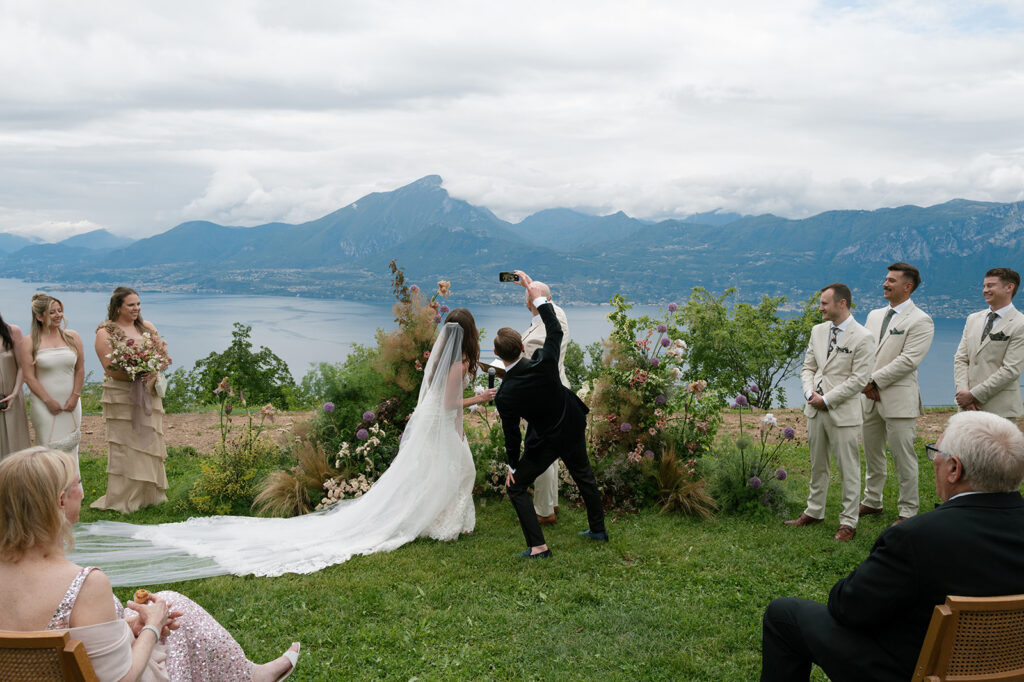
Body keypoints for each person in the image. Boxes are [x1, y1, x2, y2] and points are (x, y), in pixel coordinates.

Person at [73, 310, 492, 583]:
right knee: (452, 471)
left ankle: (446, 520)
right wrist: (481, 400)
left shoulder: (445, 360)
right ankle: (443, 522)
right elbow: (449, 403)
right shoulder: (457, 364)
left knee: (441, 473)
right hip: (443, 426)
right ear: (470, 334)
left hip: (437, 428)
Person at [761, 410, 1024, 682]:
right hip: (1008, 668)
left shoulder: (917, 537)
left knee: (783, 615)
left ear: (955, 470)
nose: (934, 460)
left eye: (936, 452)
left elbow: (848, 608)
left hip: (910, 670)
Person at [0, 447, 300, 682]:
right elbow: (123, 678)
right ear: (61, 501)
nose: (82, 488)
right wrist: (153, 627)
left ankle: (248, 673)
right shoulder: (85, 585)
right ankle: (249, 676)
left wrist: (129, 627)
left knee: (166, 603)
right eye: (78, 483)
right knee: (169, 609)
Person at [493, 270, 606, 558]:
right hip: (570, 419)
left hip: (546, 434)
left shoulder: (506, 394)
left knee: (517, 488)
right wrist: (535, 293)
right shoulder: (546, 359)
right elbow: (554, 327)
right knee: (584, 475)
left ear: (498, 355)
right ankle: (598, 530)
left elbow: (511, 435)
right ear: (522, 347)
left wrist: (512, 467)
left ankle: (539, 546)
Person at [785, 283, 873, 542]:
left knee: (848, 468)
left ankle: (848, 522)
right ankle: (814, 511)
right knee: (817, 464)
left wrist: (828, 399)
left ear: (842, 303)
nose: (820, 308)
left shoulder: (863, 337)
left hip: (842, 413)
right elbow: (808, 368)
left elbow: (859, 379)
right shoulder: (818, 331)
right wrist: (809, 394)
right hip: (814, 409)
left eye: (824, 303)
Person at [859, 263, 934, 524]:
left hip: (898, 399)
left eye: (891, 280)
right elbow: (864, 351)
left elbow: (908, 360)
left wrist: (873, 382)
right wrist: (865, 384)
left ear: (907, 286)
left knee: (903, 457)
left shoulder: (921, 320)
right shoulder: (874, 315)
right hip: (869, 398)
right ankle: (872, 501)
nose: (885, 283)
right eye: (886, 279)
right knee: (872, 454)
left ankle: (908, 511)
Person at [91, 287, 170, 513]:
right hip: (121, 395)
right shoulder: (105, 332)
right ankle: (124, 497)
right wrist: (136, 373)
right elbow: (109, 368)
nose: (137, 308)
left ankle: (149, 495)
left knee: (149, 443)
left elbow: (163, 357)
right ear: (118, 307)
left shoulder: (148, 327)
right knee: (126, 445)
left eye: (138, 304)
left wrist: (153, 369)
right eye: (131, 305)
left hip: (149, 393)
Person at [519, 280, 570, 525]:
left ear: (529, 303)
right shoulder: (560, 318)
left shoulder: (537, 337)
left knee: (540, 452)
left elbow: (527, 369)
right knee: (552, 450)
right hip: (560, 393)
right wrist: (531, 286)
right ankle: (552, 502)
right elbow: (549, 306)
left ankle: (544, 511)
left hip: (542, 398)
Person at [18, 294, 85, 468]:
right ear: (39, 317)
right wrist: (48, 401)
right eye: (52, 312)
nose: (58, 315)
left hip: (72, 403)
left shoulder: (72, 337)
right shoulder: (29, 341)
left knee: (71, 446)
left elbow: (80, 369)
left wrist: (75, 397)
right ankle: (48, 483)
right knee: (47, 448)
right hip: (43, 404)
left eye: (60, 311)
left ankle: (72, 484)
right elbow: (29, 377)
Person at [954, 267, 1024, 417]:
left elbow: (1011, 369)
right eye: (984, 286)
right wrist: (963, 393)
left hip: (1000, 409)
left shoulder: (1020, 324)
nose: (985, 290)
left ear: (1009, 287)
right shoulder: (972, 319)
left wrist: (974, 395)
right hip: (966, 408)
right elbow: (961, 359)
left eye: (991, 285)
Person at [0, 310, 30, 458]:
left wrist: (14, 393)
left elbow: (22, 366)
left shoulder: (12, 331)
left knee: (16, 445)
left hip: (12, 398)